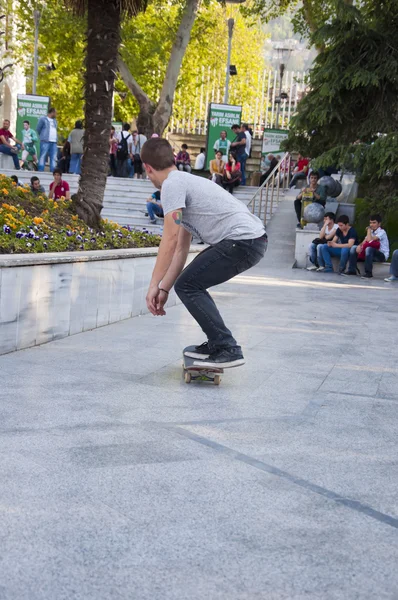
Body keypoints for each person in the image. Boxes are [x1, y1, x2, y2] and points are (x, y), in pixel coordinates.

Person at [141, 137, 267, 368]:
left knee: (188, 285)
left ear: (147, 168)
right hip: (249, 240)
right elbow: (180, 248)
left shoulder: (171, 185)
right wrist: (164, 288)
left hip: (241, 240)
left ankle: (227, 346)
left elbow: (168, 241)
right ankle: (217, 342)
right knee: (187, 283)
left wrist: (152, 285)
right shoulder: (185, 182)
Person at [346, 214, 389, 279]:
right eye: (370, 223)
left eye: (374, 223)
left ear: (379, 224)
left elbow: (369, 240)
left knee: (369, 249)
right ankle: (352, 270)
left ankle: (368, 273)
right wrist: (359, 246)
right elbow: (364, 242)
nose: (371, 225)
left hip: (381, 255)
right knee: (353, 248)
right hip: (370, 254)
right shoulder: (371, 231)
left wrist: (368, 230)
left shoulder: (382, 232)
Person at [37, 107, 58, 172]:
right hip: (45, 141)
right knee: (43, 156)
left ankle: (53, 171)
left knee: (53, 157)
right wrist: (43, 136)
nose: (56, 114)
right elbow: (38, 129)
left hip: (54, 142)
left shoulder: (55, 121)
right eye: (55, 113)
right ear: (52, 112)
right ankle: (41, 170)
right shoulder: (43, 119)